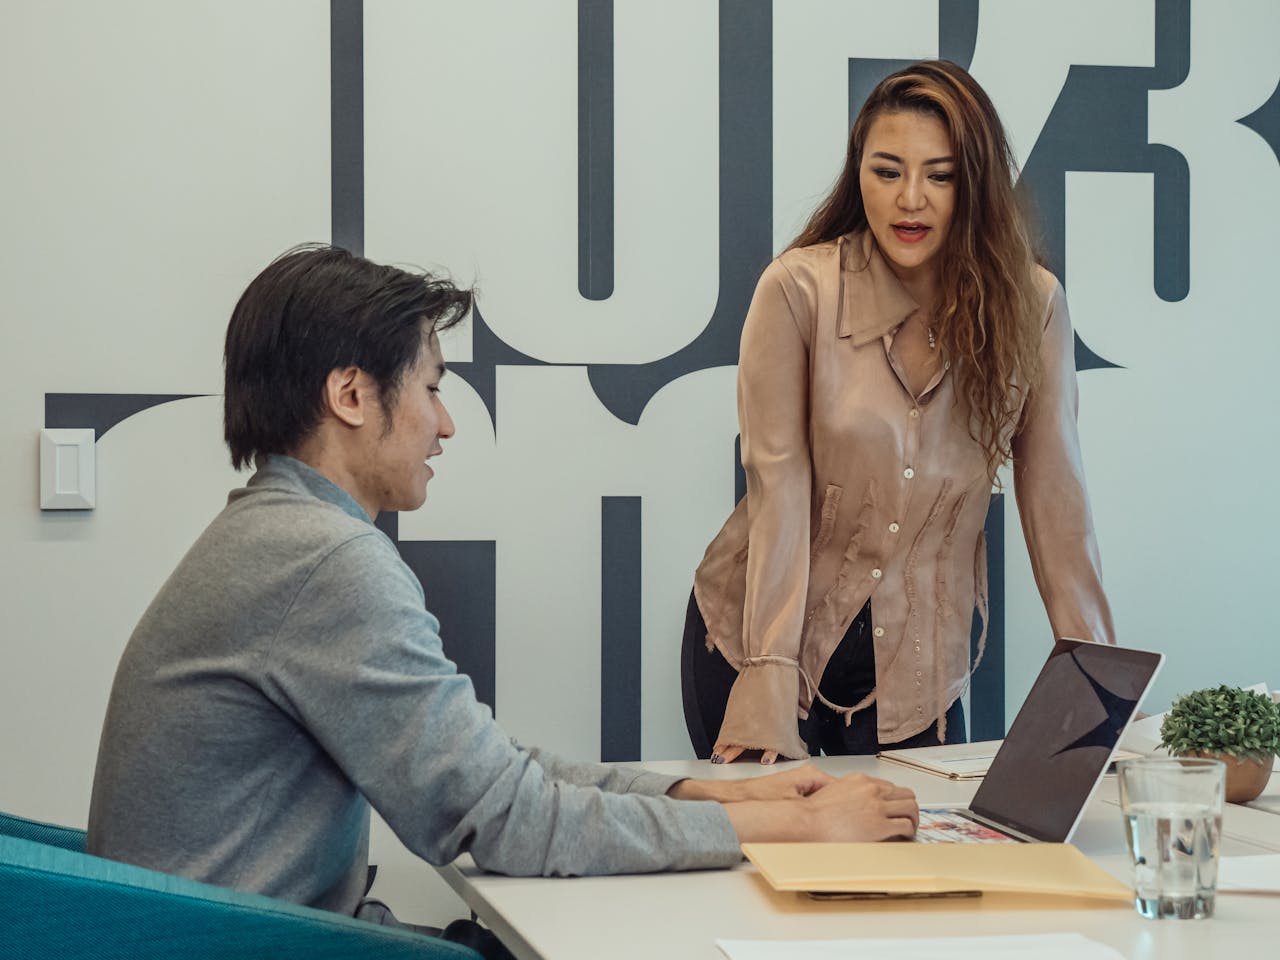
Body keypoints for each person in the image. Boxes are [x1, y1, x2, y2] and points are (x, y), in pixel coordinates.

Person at [86, 245, 919, 955]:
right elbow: (508, 821)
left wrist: (712, 796)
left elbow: (491, 773)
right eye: (431, 389)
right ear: (351, 396)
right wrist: (795, 829)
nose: (445, 424)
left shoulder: (278, 535)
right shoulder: (326, 562)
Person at [685, 60, 1115, 765]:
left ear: (975, 184)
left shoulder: (1033, 306)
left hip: (916, 677)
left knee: (920, 840)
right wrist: (768, 673)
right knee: (776, 838)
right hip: (758, 646)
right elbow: (778, 487)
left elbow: (1056, 502)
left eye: (940, 176)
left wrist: (1098, 677)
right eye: (886, 171)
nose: (909, 200)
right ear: (858, 173)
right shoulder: (798, 290)